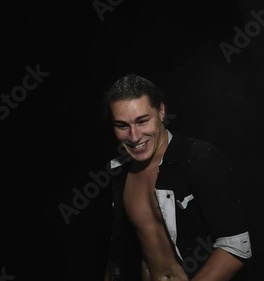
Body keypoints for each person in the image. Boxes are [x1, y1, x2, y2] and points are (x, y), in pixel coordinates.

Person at [103, 73, 252, 281]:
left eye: (142, 121)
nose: (134, 136)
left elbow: (237, 247)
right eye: (122, 126)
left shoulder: (199, 158)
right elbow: (117, 250)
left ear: (161, 111)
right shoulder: (119, 171)